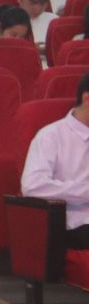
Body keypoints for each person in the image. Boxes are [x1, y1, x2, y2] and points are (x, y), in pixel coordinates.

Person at [19, 70, 89, 246]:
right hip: (74, 222)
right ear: (87, 99)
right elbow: (33, 186)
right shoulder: (51, 136)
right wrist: (85, 191)